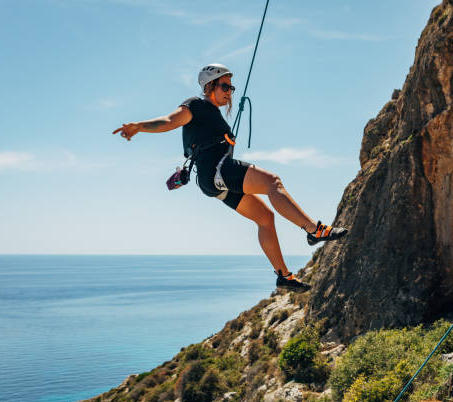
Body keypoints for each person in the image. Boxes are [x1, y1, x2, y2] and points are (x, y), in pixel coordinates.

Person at [113, 63, 347, 291]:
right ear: (208, 87)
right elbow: (169, 121)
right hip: (217, 170)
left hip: (212, 179)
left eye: (230, 88)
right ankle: (313, 229)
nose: (229, 92)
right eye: (225, 86)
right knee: (272, 182)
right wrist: (139, 126)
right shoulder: (195, 105)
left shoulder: (212, 115)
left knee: (265, 217)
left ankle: (283, 276)